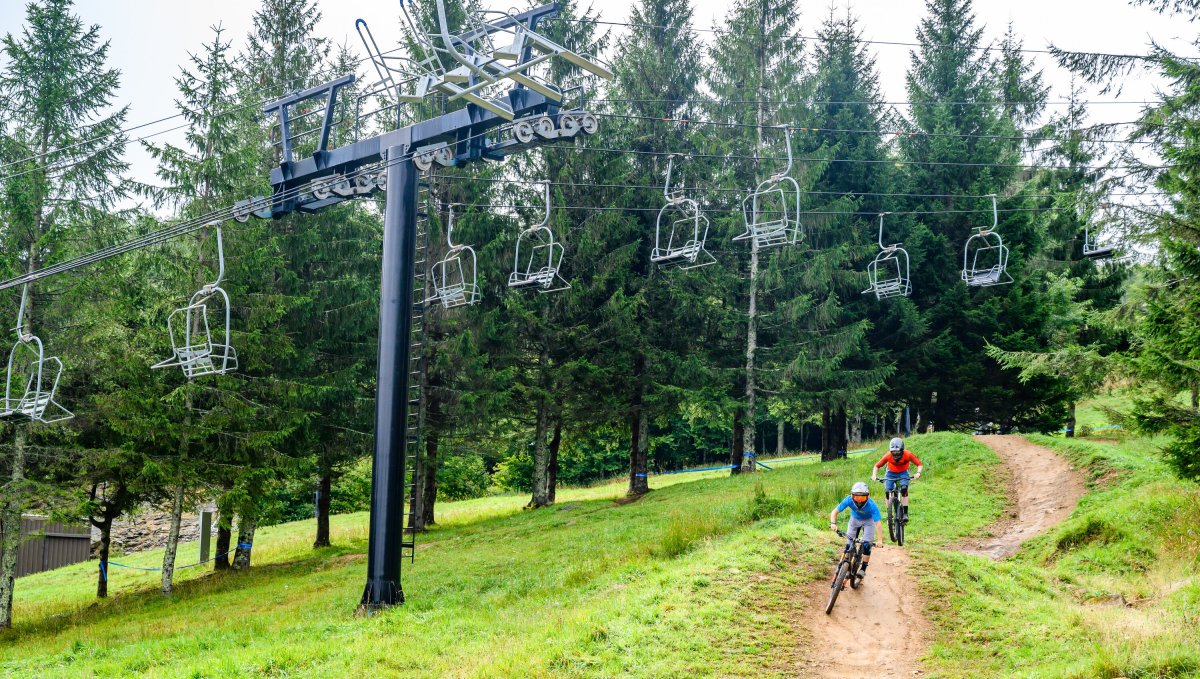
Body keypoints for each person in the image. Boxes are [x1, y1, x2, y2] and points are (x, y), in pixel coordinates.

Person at [829, 481, 882, 578]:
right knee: (849, 544)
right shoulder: (848, 500)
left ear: (868, 496)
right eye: (857, 497)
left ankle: (863, 568)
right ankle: (847, 566)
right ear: (852, 495)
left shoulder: (872, 505)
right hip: (854, 520)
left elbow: (878, 523)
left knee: (866, 545)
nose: (859, 500)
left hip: (868, 522)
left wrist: (879, 540)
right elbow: (835, 511)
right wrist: (833, 523)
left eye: (862, 497)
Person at [872, 436, 923, 520]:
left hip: (903, 472)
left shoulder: (908, 454)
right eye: (893, 452)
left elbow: (919, 464)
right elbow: (877, 466)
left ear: (902, 450)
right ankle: (889, 513)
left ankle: (905, 513)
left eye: (898, 452)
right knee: (887, 491)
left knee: (904, 489)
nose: (895, 455)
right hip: (890, 473)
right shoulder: (888, 455)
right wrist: (874, 475)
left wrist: (918, 473)